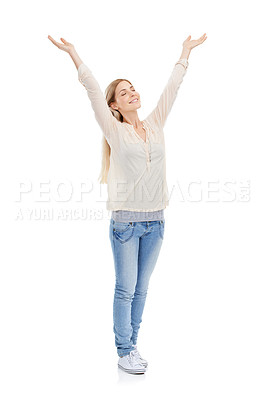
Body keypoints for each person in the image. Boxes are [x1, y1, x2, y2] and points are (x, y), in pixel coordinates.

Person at [48, 33, 207, 374]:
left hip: (156, 222)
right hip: (125, 224)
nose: (132, 92)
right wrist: (73, 54)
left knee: (142, 289)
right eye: (123, 92)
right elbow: (92, 89)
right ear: (114, 107)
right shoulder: (114, 131)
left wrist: (185, 52)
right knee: (125, 289)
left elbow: (172, 88)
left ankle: (133, 346)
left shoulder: (154, 124)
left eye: (132, 88)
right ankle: (124, 351)